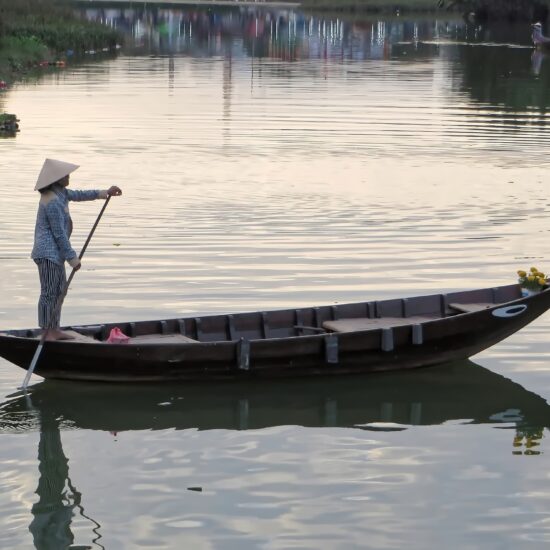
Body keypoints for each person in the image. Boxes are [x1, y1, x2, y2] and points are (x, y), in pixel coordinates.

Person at [31, 159, 122, 341]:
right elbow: (58, 234)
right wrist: (72, 258)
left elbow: (80, 194)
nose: (68, 177)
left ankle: (54, 328)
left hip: (56, 254)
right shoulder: (52, 200)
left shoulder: (61, 193)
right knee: (49, 292)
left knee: (60, 291)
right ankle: (47, 330)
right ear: (57, 179)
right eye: (65, 175)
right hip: (47, 253)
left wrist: (105, 193)